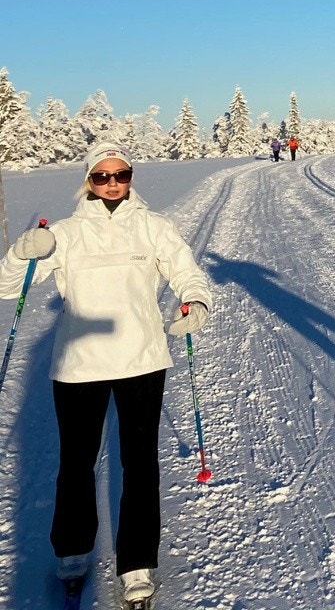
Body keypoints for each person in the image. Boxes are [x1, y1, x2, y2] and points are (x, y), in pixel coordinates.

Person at [0, 142, 214, 606]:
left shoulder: (154, 226)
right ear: (89, 180)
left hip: (142, 360)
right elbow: (7, 288)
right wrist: (21, 253)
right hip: (79, 365)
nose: (113, 183)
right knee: (77, 462)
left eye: (122, 174)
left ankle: (136, 562)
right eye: (102, 176)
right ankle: (73, 549)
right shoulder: (66, 234)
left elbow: (187, 272)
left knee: (140, 463)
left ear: (131, 177)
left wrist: (196, 301)